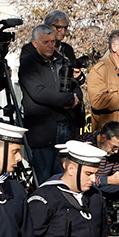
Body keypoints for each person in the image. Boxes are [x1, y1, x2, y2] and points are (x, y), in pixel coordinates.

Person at [20, 24, 80, 182]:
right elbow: (39, 93)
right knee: (45, 179)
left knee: (65, 178)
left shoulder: (60, 61)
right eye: (46, 42)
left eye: (53, 41)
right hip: (43, 131)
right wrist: (67, 100)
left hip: (63, 126)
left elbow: (74, 85)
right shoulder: (29, 64)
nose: (50, 45)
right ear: (35, 43)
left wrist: (76, 98)